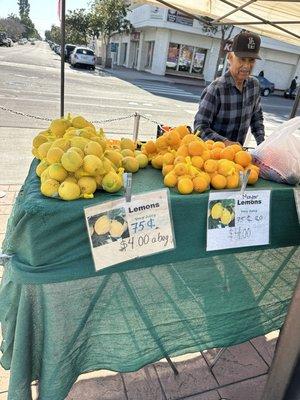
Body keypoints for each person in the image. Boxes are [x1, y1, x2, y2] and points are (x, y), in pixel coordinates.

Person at [194, 31, 265, 146]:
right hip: (213, 158)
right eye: (242, 59)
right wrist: (225, 142)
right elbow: (200, 127)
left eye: (251, 60)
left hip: (238, 158)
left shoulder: (254, 85)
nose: (247, 66)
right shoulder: (216, 89)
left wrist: (262, 143)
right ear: (230, 57)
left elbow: (257, 118)